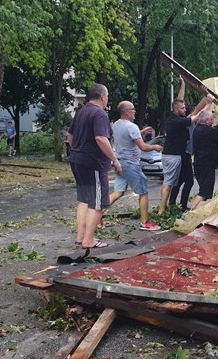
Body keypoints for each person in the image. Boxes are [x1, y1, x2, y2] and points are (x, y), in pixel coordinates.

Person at [67, 84, 121, 249]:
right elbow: (101, 138)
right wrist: (114, 160)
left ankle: (81, 236)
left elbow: (70, 136)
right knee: (98, 203)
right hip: (93, 163)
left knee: (85, 199)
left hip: (77, 159)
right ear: (103, 96)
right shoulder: (99, 114)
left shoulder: (81, 111)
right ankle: (89, 240)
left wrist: (78, 150)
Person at [158, 77, 213, 214]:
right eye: (183, 108)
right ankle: (169, 208)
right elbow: (196, 115)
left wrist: (183, 83)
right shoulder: (178, 121)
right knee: (180, 181)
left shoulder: (178, 116)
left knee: (180, 180)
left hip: (180, 154)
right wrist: (208, 104)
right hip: (179, 155)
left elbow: (180, 100)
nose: (185, 108)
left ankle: (173, 205)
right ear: (177, 111)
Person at [108, 101, 162, 231]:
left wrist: (141, 132)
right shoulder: (131, 126)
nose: (135, 111)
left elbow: (127, 138)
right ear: (126, 112)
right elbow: (143, 146)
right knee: (143, 192)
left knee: (118, 192)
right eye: (132, 109)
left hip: (120, 162)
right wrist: (155, 146)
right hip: (131, 164)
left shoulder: (116, 124)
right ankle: (145, 222)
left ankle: (97, 215)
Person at [190, 109, 218, 210]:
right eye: (212, 119)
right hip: (206, 166)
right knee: (205, 192)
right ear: (207, 121)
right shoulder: (208, 131)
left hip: (199, 165)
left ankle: (198, 214)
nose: (213, 121)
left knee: (205, 192)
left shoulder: (197, 130)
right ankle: (191, 213)